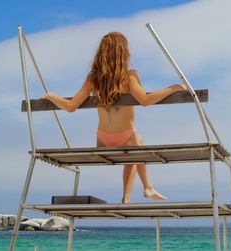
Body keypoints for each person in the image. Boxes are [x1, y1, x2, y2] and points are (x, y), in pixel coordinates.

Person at [42, 31, 187, 204]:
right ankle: (137, 192)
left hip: (103, 139)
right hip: (127, 138)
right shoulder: (130, 76)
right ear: (123, 53)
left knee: (137, 144)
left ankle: (142, 190)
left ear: (101, 53)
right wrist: (174, 88)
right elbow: (145, 100)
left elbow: (71, 106)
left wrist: (51, 95)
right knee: (137, 143)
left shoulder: (93, 78)